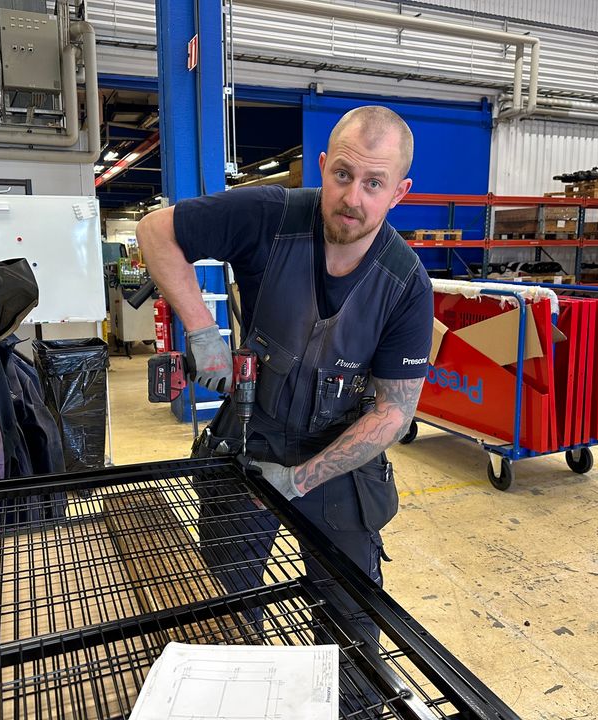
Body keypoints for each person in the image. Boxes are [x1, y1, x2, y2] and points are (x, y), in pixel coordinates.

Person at [136, 105, 433, 643]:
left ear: (399, 193)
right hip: (252, 436)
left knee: (351, 625)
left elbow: (394, 412)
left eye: (374, 183)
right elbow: (155, 230)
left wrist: (298, 481)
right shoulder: (269, 216)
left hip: (342, 451)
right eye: (342, 174)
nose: (353, 197)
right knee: (224, 612)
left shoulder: (405, 283)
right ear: (322, 166)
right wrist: (202, 333)